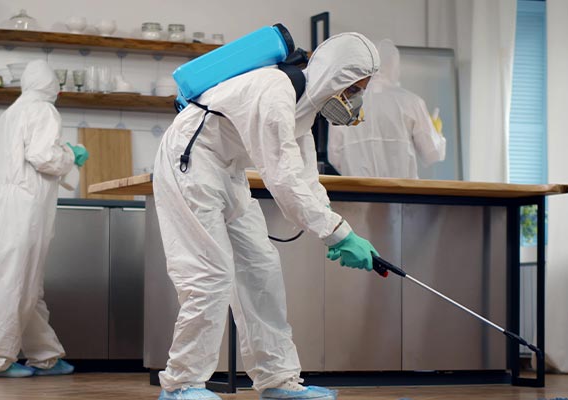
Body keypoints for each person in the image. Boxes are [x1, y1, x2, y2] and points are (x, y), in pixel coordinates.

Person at [153, 33, 381, 400]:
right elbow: (284, 180)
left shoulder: (302, 106)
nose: (355, 98)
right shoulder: (275, 92)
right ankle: (182, 384)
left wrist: (336, 227)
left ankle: (277, 380)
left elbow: (305, 176)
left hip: (225, 171)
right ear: (336, 76)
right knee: (210, 274)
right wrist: (337, 234)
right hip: (190, 159)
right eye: (355, 88)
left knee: (261, 268)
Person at [0, 59, 89, 378]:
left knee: (25, 281)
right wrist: (70, 155)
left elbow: (28, 151)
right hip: (26, 204)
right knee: (15, 280)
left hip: (7, 201)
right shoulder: (44, 110)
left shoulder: (11, 113)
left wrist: (62, 150)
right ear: (51, 86)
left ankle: (44, 355)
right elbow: (43, 156)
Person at [327, 39, 446, 178]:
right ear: (394, 66)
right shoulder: (411, 102)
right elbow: (431, 154)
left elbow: (334, 158)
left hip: (357, 194)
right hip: (400, 195)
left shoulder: (344, 104)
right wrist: (437, 134)